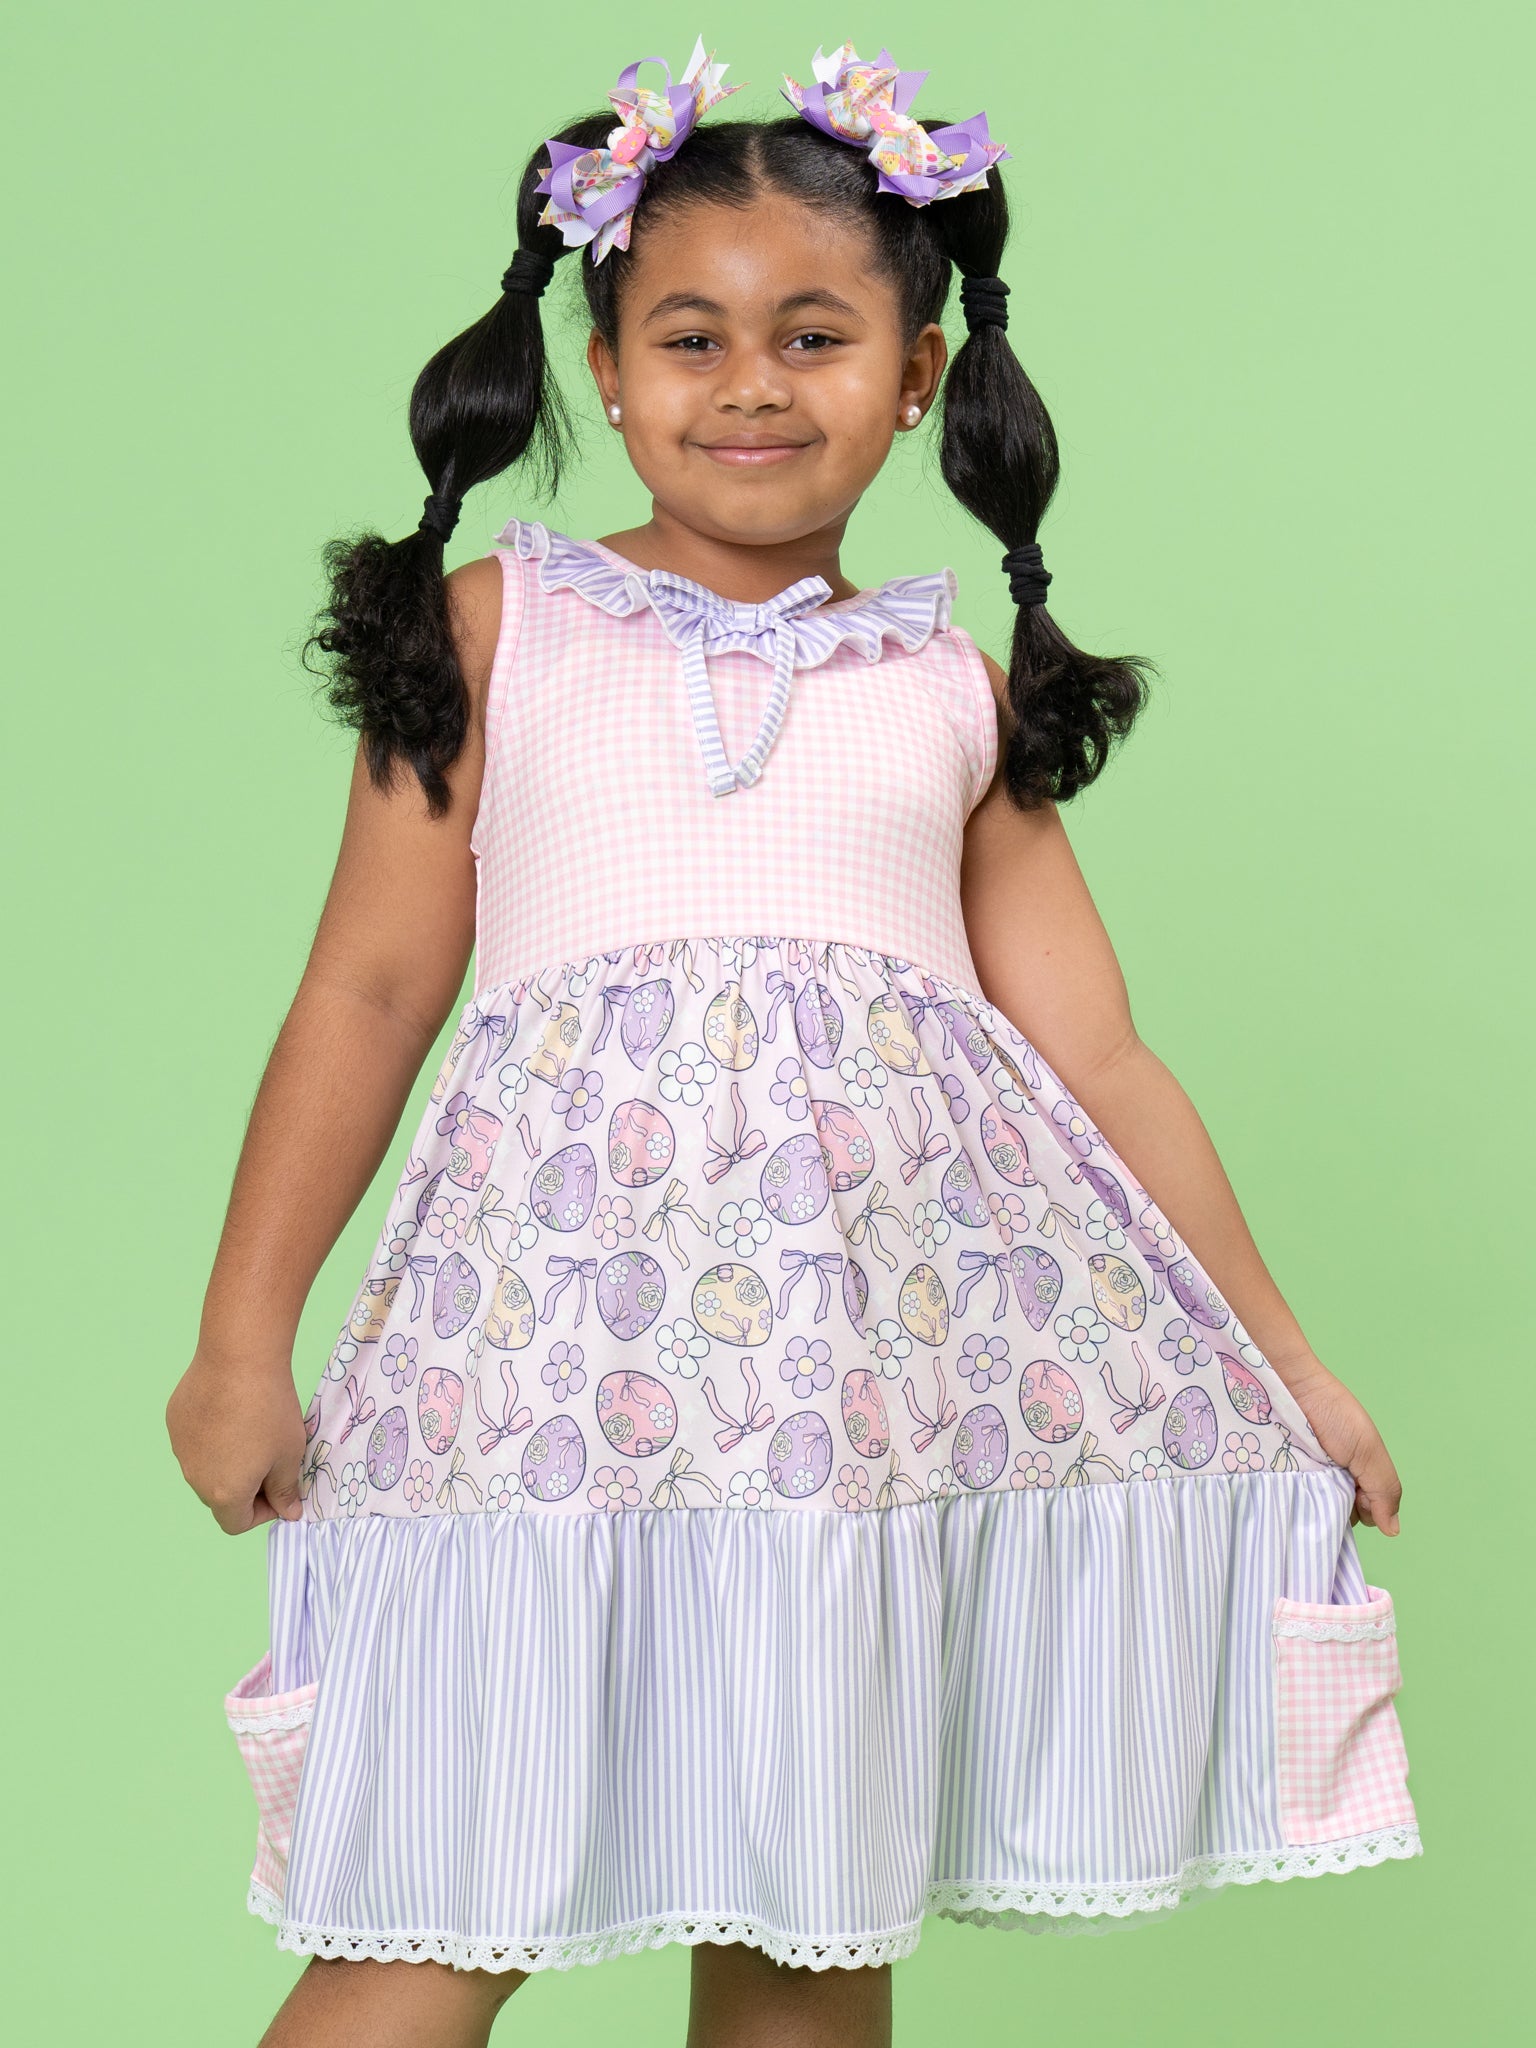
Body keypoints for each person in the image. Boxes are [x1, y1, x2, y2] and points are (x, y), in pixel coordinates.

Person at [165, 37, 1419, 2048]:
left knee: (808, 1937)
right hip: (542, 1392)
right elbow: (367, 993)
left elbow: (1100, 1061)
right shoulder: (502, 628)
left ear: (915, 377)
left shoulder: (949, 686)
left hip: (847, 1414)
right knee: (435, 1898)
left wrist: (1292, 1362)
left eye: (815, 336)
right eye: (694, 337)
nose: (752, 383)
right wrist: (245, 1338)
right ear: (603, 368)